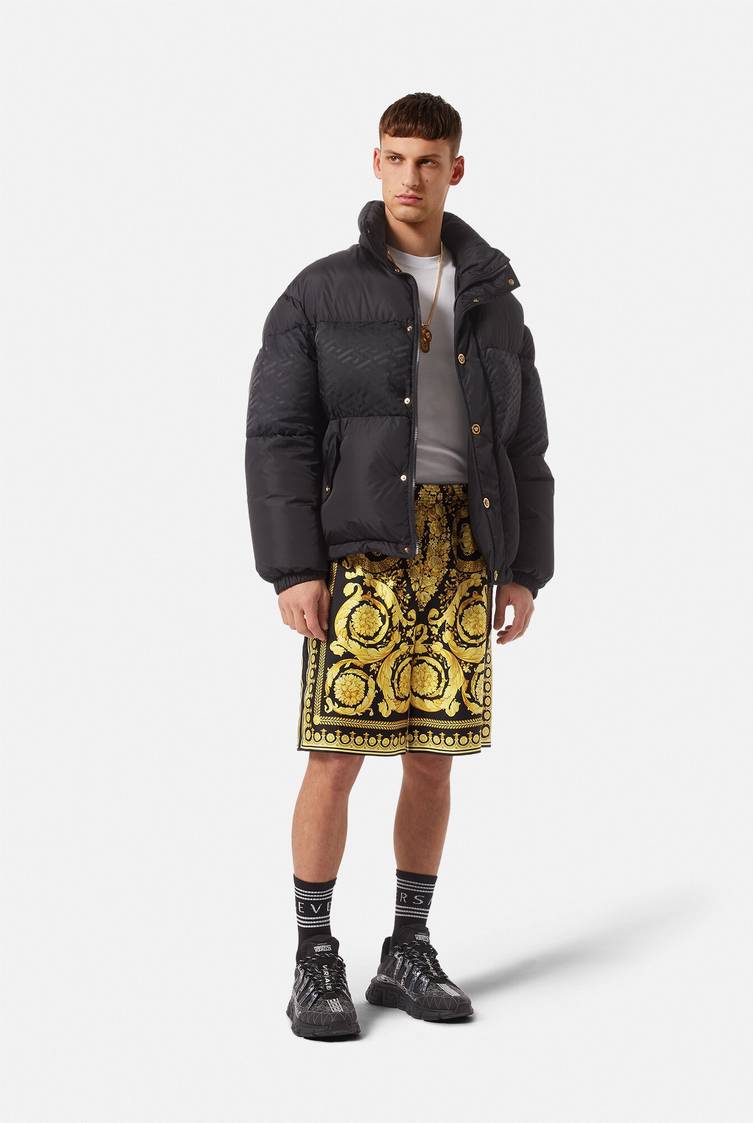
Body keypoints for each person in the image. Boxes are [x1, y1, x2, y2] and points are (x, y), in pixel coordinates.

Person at [245, 92, 554, 1039]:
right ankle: (314, 957)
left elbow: (526, 446)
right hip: (361, 551)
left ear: (455, 169)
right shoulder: (318, 292)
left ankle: (406, 948)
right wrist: (293, 567)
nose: (410, 176)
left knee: (434, 757)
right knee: (335, 752)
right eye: (395, 157)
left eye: (428, 160)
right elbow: (279, 436)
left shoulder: (495, 300)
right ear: (375, 163)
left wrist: (523, 569)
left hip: (464, 547)